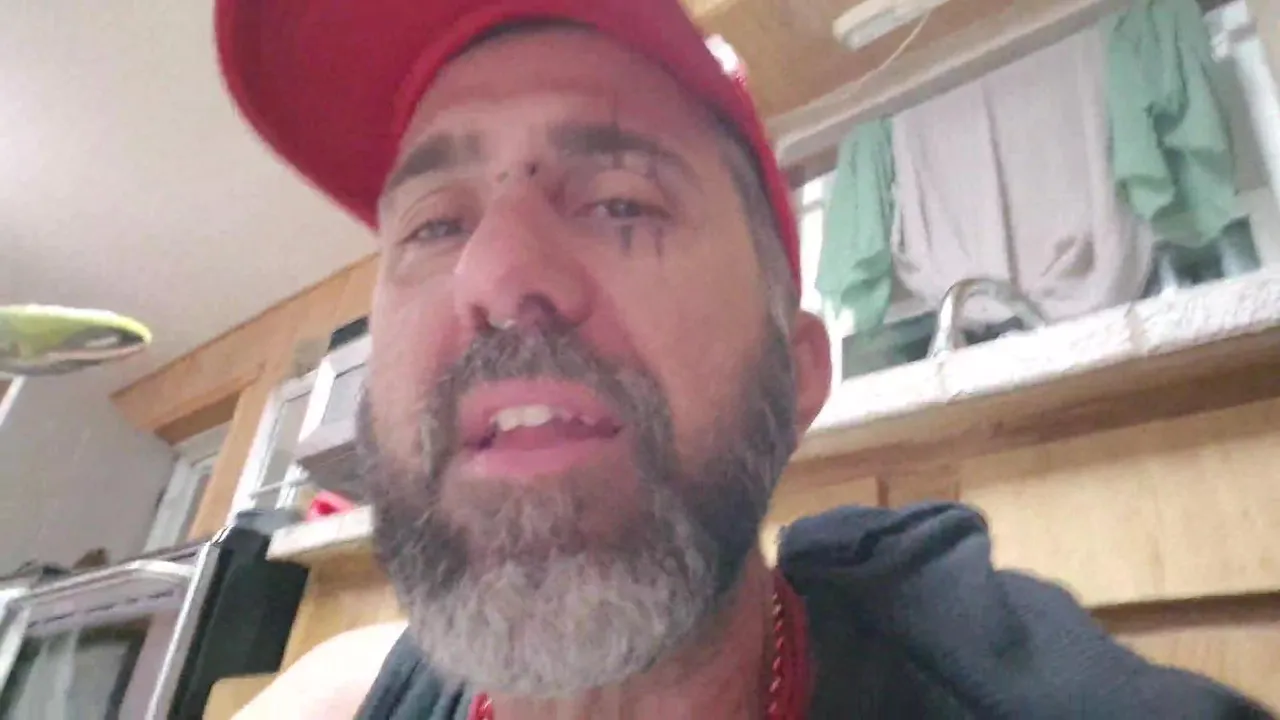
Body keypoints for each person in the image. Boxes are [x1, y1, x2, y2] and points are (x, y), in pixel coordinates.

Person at [217, 1, 1273, 718]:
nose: (495, 270)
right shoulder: (336, 696)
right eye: (435, 225)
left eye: (621, 203)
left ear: (797, 373)